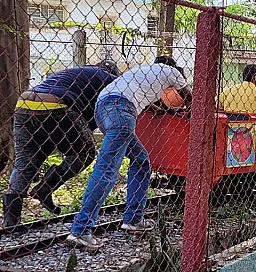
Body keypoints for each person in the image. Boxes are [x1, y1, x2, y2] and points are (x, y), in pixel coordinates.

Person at [67, 57, 190, 250]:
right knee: (107, 169)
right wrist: (189, 110)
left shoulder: (141, 71)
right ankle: (81, 230)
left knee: (141, 161)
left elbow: (138, 99)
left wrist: (161, 109)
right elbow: (189, 98)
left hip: (103, 109)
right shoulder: (171, 71)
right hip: (122, 113)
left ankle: (133, 219)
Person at [3, 61, 121, 228]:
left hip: (24, 104)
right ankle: (45, 188)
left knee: (25, 163)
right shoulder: (109, 79)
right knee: (85, 153)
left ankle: (10, 220)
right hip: (56, 105)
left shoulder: (75, 74)